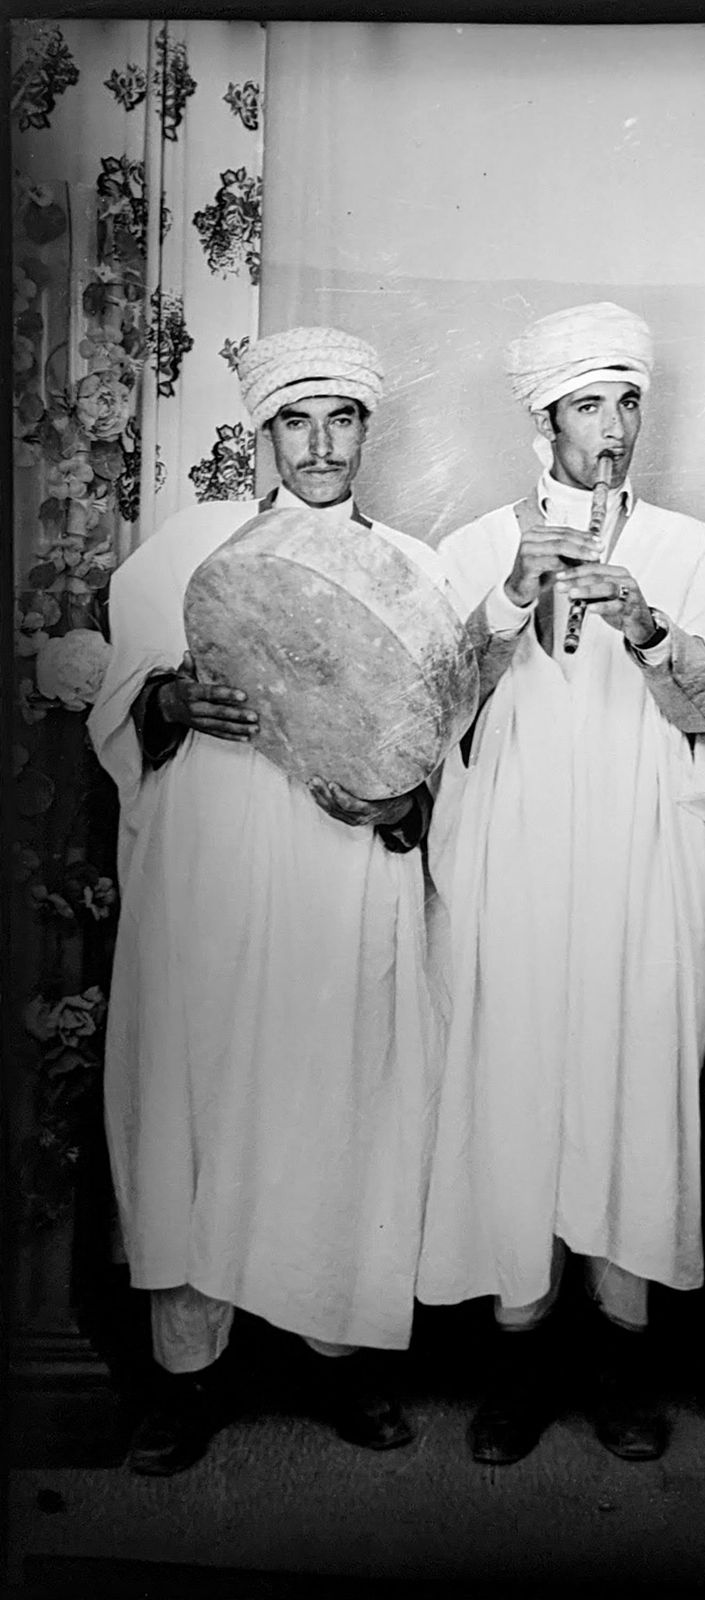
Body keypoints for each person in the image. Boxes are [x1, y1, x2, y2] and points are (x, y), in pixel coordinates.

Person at [89, 326, 449, 1475]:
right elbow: (121, 710)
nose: (321, 445)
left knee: (339, 1090)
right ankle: (187, 1377)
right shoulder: (187, 553)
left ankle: (340, 1360)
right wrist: (171, 700)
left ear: (367, 431)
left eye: (341, 420)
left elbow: (436, 748)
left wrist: (398, 805)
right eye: (298, 421)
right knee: (200, 1096)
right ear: (264, 432)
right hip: (214, 868)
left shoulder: (414, 572)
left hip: (341, 877)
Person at [416, 301, 705, 1465]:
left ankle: (621, 1369)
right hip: (512, 856)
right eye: (587, 405)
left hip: (642, 858)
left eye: (626, 403)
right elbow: (427, 713)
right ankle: (517, 1368)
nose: (612, 428)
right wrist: (508, 602)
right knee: (516, 1089)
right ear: (544, 419)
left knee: (631, 1088)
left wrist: (652, 631)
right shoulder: (471, 548)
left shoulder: (699, 554)